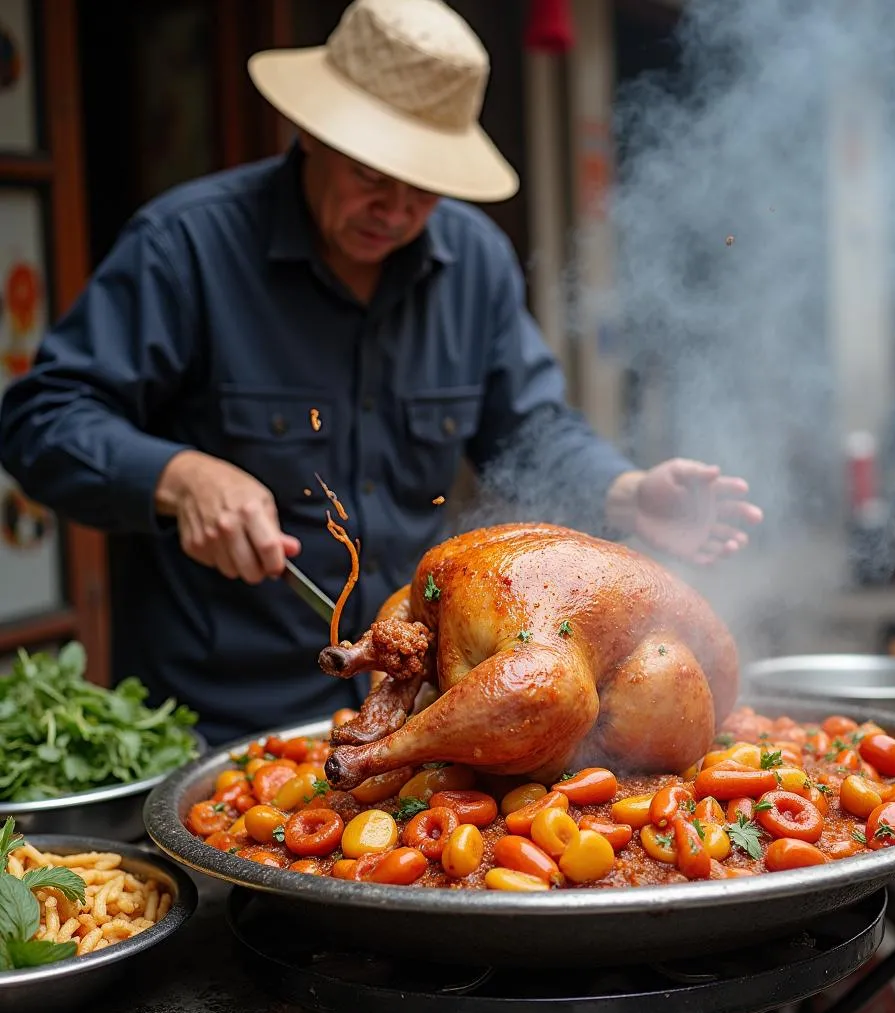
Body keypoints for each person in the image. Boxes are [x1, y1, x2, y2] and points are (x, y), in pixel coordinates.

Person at [0, 0, 761, 745]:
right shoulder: (185, 247)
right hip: (221, 716)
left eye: (424, 185)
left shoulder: (473, 262)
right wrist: (181, 475)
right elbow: (42, 419)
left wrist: (622, 490)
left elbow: (529, 428)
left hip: (416, 703)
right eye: (372, 173)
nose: (396, 209)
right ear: (312, 133)